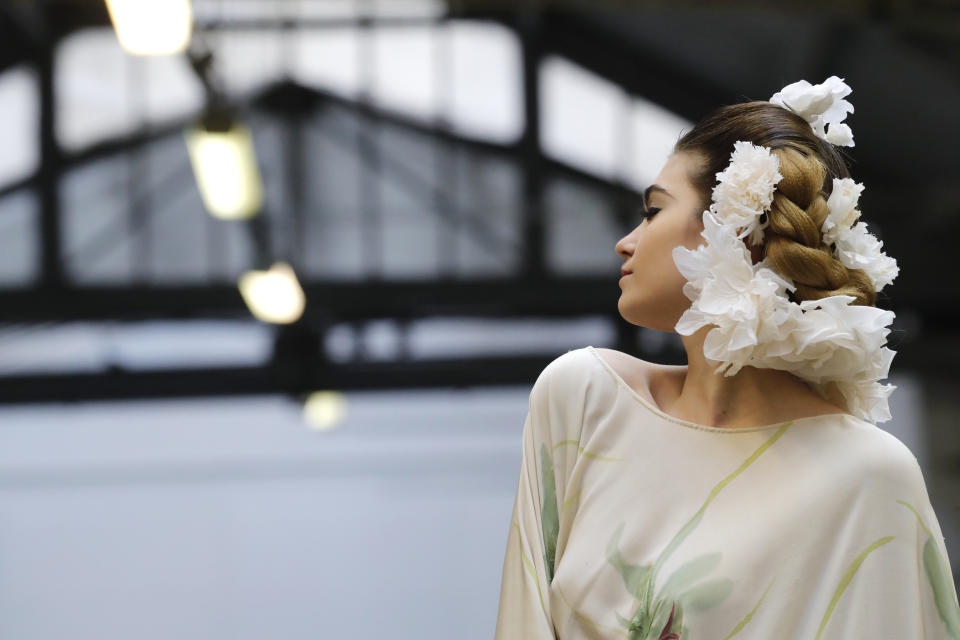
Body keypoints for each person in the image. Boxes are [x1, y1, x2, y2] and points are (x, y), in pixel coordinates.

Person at [493, 77, 960, 639]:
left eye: (652, 211)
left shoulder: (869, 476)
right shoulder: (584, 398)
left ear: (736, 229)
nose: (626, 241)